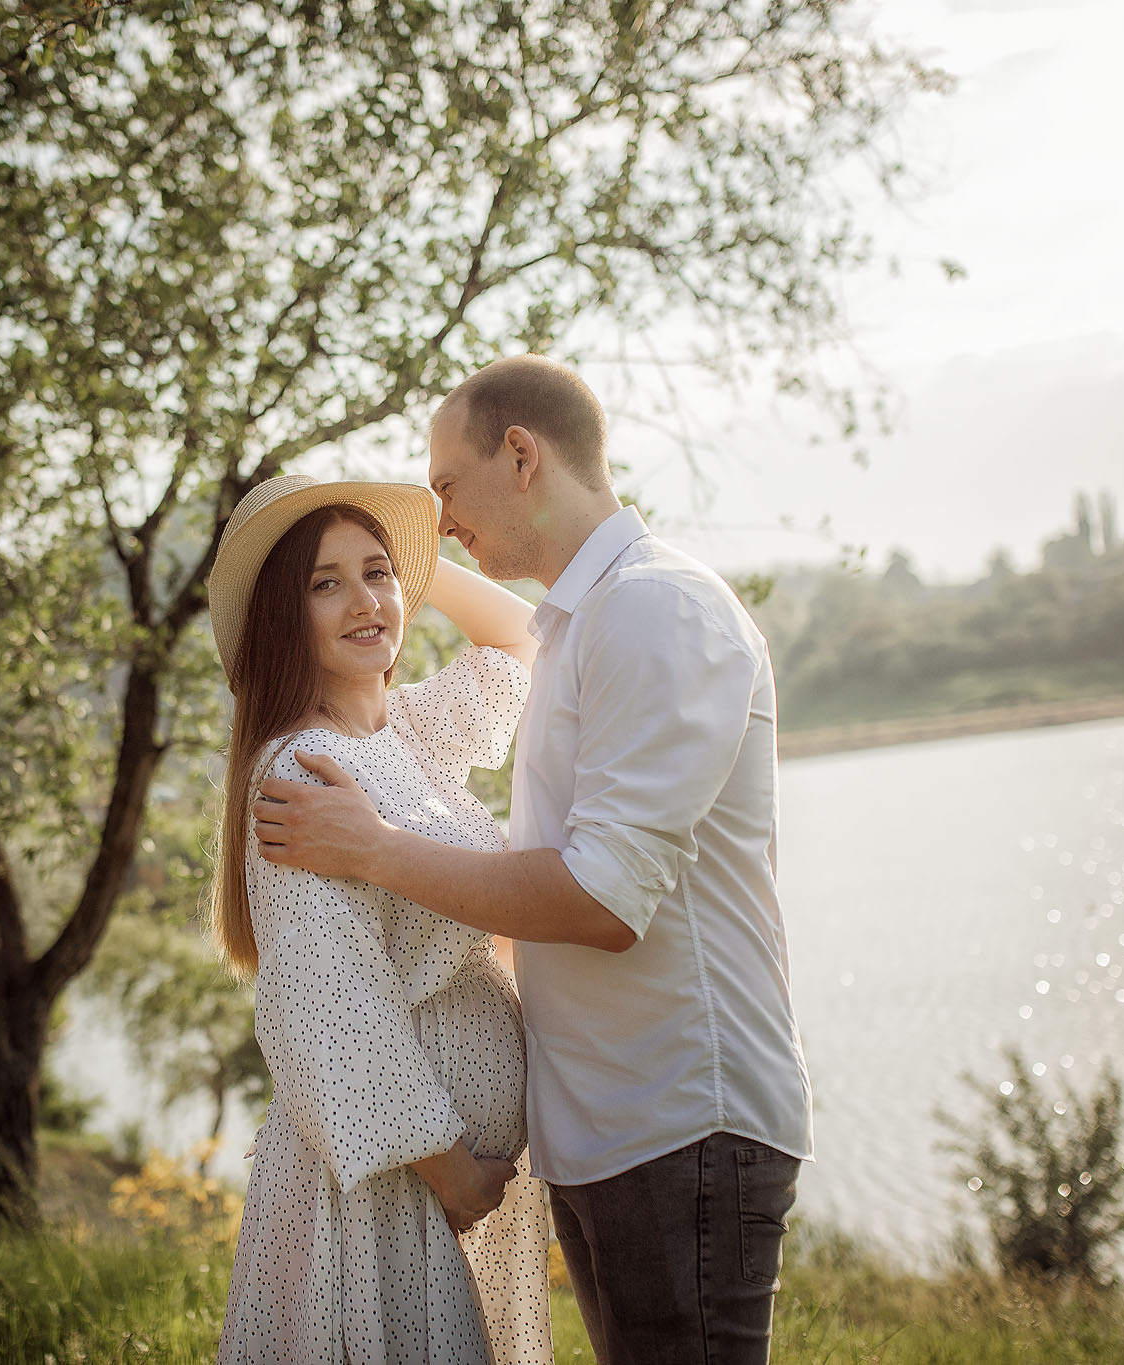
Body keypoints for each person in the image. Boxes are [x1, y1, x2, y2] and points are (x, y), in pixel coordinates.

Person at [253, 355, 814, 1365]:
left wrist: (378, 851)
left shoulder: (653, 609)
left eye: (443, 491)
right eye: (325, 583)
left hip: (675, 1118)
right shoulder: (586, 619)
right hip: (602, 1133)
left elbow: (602, 897)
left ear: (520, 454)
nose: (439, 518)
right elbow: (324, 1002)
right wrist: (385, 577)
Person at [207, 474, 554, 1365]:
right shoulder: (306, 769)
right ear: (286, 618)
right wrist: (449, 1165)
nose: (365, 602)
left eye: (377, 573)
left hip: (443, 1181)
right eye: (326, 584)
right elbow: (329, 999)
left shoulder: (403, 729)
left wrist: (417, 560)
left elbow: (523, 637)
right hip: (394, 1187)